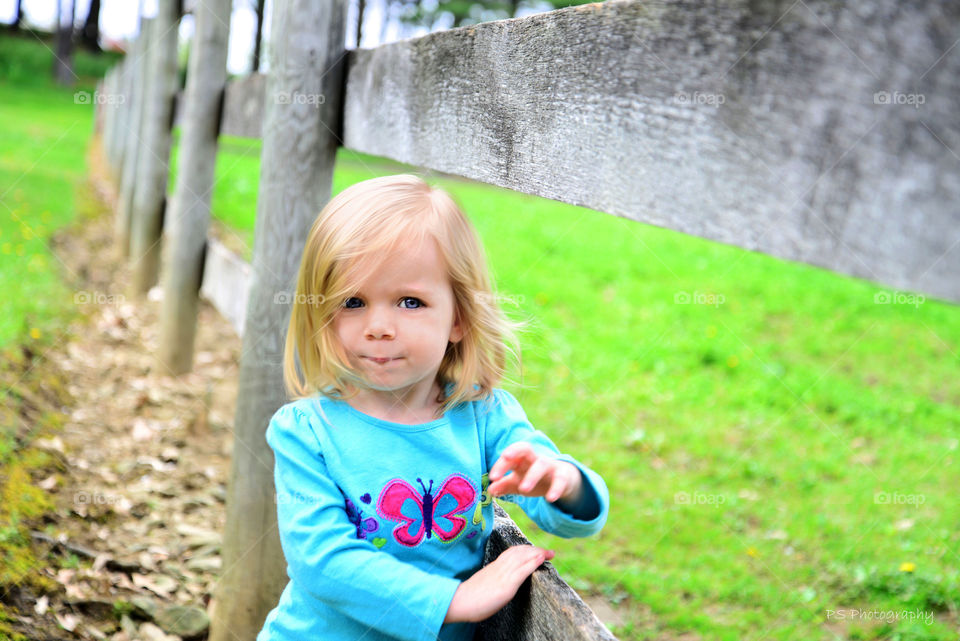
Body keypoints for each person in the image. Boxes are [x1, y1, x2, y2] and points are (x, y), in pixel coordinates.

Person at [256, 174, 609, 641]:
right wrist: (455, 602)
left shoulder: (483, 418)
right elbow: (322, 561)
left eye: (409, 301)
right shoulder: (307, 431)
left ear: (458, 318)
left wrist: (562, 483)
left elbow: (565, 510)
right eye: (353, 301)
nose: (379, 326)